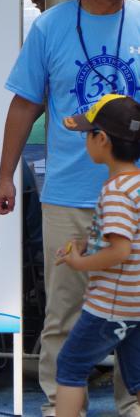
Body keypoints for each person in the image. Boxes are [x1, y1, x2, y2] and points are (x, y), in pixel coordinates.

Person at [0, 0, 140, 417]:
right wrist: (5, 175)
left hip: (134, 194)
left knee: (137, 312)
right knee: (64, 310)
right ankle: (61, 405)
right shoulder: (50, 26)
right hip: (68, 194)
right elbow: (24, 104)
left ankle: (131, 403)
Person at [56, 94, 140, 417]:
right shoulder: (135, 185)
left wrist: (79, 262)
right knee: (136, 378)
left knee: (70, 365)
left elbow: (120, 250)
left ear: (102, 139)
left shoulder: (115, 191)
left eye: (87, 134)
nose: (86, 141)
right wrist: (87, 243)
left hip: (111, 305)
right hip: (134, 303)